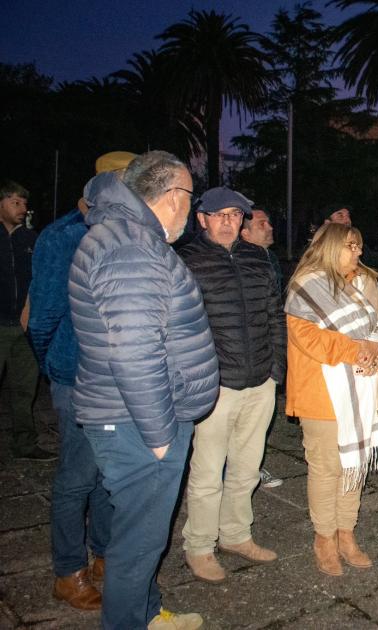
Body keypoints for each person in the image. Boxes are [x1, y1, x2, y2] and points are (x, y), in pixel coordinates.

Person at [69, 151, 218, 629]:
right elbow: (135, 350)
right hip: (140, 423)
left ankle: (148, 614)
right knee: (137, 544)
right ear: (173, 194)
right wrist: (159, 436)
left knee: (141, 536)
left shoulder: (125, 236)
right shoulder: (131, 248)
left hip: (134, 415)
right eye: (189, 196)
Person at [30, 151, 136, 611]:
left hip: (122, 380)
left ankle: (105, 557)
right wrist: (59, 366)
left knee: (109, 476)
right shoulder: (64, 236)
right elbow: (43, 318)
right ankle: (67, 570)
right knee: (76, 478)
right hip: (77, 378)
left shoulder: (132, 234)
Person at [284, 223, 378, 575]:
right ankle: (324, 538)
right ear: (332, 246)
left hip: (364, 385)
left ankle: (346, 532)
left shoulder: (367, 281)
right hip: (322, 392)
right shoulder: (306, 285)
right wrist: (357, 350)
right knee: (327, 468)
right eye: (352, 246)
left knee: (355, 463)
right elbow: (307, 338)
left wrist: (374, 347)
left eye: (360, 246)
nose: (359, 253)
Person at [178, 187, 286, 584]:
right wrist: (199, 379)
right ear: (202, 219)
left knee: (246, 468)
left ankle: (237, 534)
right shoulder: (186, 261)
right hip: (215, 386)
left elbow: (275, 314)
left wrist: (277, 369)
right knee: (207, 472)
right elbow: (178, 329)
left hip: (260, 380)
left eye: (235, 215)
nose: (228, 221)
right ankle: (200, 545)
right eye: (219, 214)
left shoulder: (258, 259)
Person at [1, 179, 51, 461]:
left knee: (24, 389)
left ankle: (24, 443)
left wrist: (31, 311)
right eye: (15, 202)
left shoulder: (32, 240)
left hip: (23, 328)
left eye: (24, 203)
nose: (23, 208)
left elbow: (40, 280)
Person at [240, 207, 285, 489]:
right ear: (245, 233)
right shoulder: (240, 262)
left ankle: (253, 468)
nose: (269, 227)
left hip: (267, 353)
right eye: (262, 223)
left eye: (269, 221)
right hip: (243, 356)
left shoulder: (270, 259)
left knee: (259, 422)